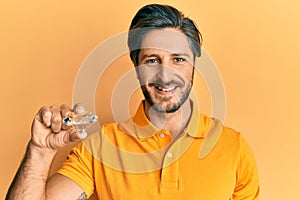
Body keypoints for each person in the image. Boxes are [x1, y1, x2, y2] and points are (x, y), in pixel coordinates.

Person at [6, 4, 260, 200]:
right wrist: (39, 151)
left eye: (178, 59)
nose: (165, 74)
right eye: (152, 60)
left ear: (194, 64)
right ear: (136, 66)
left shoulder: (234, 148)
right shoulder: (100, 147)